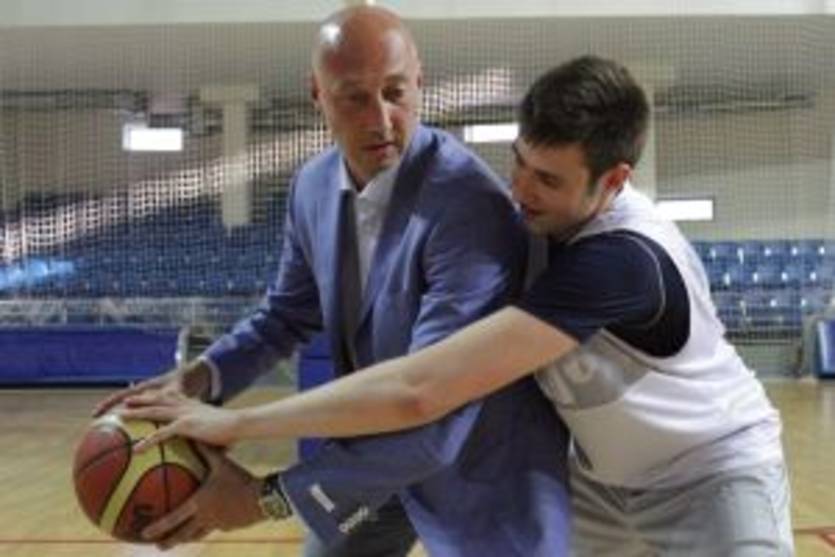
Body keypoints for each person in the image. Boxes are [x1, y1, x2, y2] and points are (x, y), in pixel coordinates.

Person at [123, 55, 794, 557]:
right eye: (519, 162)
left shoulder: (620, 260)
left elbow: (422, 388)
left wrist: (239, 427)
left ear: (614, 180)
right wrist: (205, 383)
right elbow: (299, 320)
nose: (520, 190)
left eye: (548, 179)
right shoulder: (515, 221)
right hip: (597, 480)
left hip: (710, 472)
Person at [99, 5, 571, 557]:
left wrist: (261, 499)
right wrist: (197, 381)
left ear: (420, 81)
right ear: (317, 95)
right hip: (374, 466)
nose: (380, 119)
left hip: (481, 470)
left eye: (395, 92)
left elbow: (433, 411)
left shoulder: (471, 208)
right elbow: (284, 317)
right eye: (354, 97)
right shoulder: (313, 186)